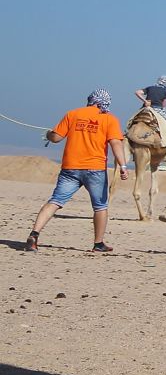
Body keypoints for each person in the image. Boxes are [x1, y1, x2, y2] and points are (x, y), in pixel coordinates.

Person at [26, 89, 131, 254]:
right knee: (100, 206)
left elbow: (56, 138)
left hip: (70, 168)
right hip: (95, 169)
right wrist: (123, 166)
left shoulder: (72, 114)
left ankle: (34, 235)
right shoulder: (109, 119)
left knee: (55, 201)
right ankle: (98, 243)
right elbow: (116, 143)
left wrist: (48, 134)